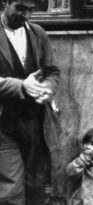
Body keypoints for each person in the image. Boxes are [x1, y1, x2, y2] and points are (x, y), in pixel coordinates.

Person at [0, 0, 60, 204]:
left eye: (30, 10)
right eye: (21, 8)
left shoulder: (37, 33)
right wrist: (21, 86)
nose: (26, 15)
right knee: (10, 190)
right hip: (4, 124)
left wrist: (47, 90)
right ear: (5, 2)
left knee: (36, 186)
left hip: (35, 122)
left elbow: (51, 71)